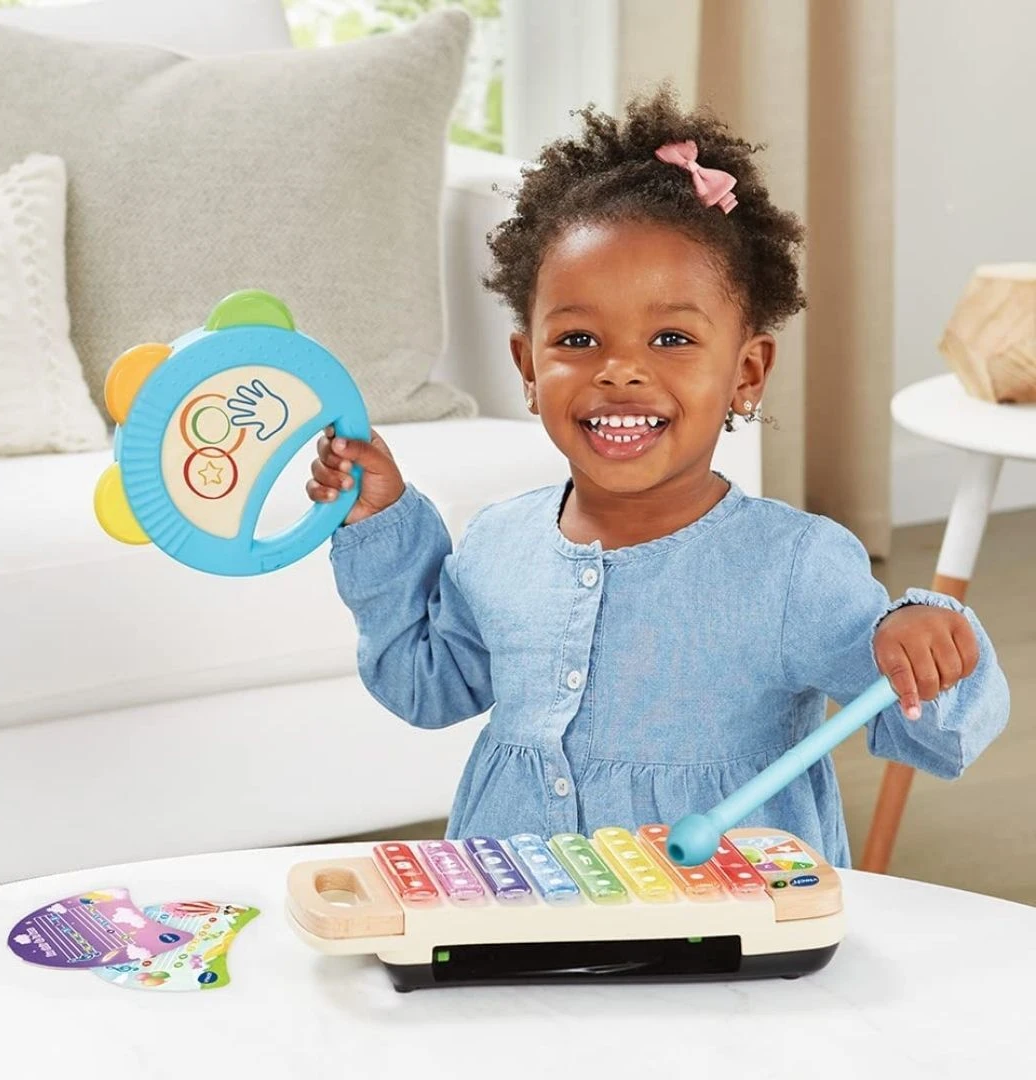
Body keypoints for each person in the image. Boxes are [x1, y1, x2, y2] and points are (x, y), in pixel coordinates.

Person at [307, 87, 1009, 867]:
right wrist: (381, 522)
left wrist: (928, 641)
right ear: (528, 369)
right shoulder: (501, 541)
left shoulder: (793, 568)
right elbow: (424, 687)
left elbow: (939, 734)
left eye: (671, 338)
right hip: (518, 910)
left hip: (726, 921)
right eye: (578, 339)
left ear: (747, 374)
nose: (621, 371)